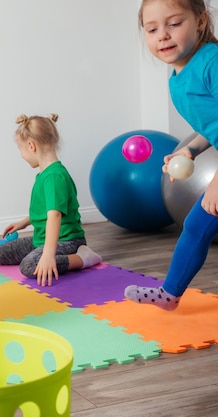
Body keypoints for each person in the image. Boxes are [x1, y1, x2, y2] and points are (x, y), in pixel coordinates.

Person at [125, 0, 218, 310]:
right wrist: (189, 150)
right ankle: (170, 293)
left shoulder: (212, 62)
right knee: (196, 225)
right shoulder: (178, 81)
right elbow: (212, 124)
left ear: (201, 21)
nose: (162, 35)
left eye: (174, 24)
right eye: (152, 29)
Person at [0, 114, 102, 287]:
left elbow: (55, 216)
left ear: (31, 146)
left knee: (29, 266)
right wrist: (23, 223)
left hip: (67, 241)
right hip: (42, 238)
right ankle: (45, 254)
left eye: (21, 149)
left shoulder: (54, 177)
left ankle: (82, 258)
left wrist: (48, 254)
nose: (22, 155)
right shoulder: (45, 174)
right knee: (2, 254)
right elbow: (47, 208)